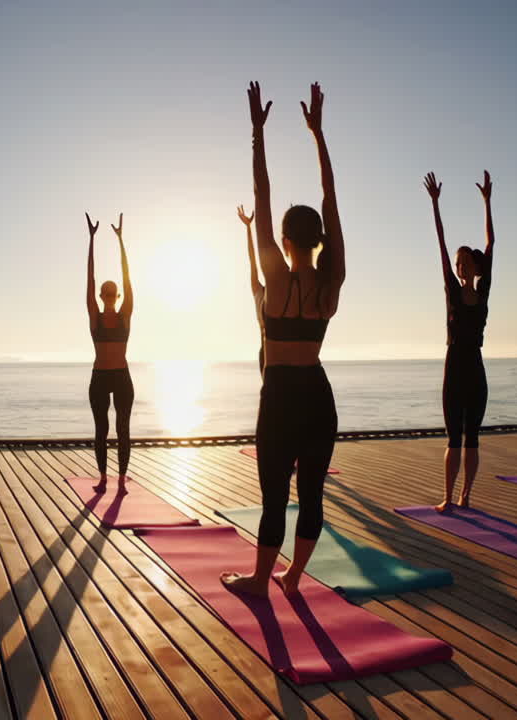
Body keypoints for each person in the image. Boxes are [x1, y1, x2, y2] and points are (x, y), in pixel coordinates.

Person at [222, 83, 346, 597]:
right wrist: (319, 135)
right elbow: (331, 196)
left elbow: (261, 195)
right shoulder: (330, 281)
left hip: (279, 397)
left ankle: (259, 579)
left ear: (287, 240)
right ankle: (292, 577)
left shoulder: (275, 279)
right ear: (319, 239)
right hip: (318, 394)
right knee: (312, 495)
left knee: (275, 496)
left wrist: (258, 132)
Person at [423, 171, 495, 512]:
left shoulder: (481, 294)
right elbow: (440, 241)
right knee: (453, 437)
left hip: (475, 369)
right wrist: (436, 205)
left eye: (466, 262)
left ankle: (467, 495)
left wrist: (487, 202)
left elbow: (492, 244)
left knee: (473, 439)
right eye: (458, 263)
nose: (461, 266)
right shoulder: (452, 291)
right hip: (454, 367)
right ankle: (449, 497)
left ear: (475, 268)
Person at [84, 211, 134, 493]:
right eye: (106, 294)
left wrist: (121, 241)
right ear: (102, 298)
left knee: (123, 430)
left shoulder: (125, 316)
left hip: (122, 376)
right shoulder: (95, 318)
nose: (110, 297)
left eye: (114, 294)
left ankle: (121, 479)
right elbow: (89, 281)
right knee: (101, 430)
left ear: (117, 297)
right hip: (100, 377)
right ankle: (103, 477)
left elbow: (128, 281)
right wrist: (91, 240)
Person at [239, 204, 267, 374]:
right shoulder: (258, 290)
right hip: (266, 353)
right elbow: (252, 259)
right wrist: (248, 228)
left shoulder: (261, 291)